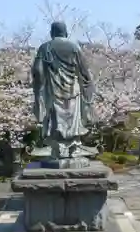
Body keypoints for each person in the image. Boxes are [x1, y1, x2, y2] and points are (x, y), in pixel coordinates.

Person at [31, 21, 96, 159]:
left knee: (55, 120)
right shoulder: (74, 47)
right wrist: (88, 87)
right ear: (65, 33)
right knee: (73, 121)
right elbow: (84, 71)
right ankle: (74, 149)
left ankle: (56, 149)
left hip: (53, 90)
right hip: (73, 90)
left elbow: (37, 70)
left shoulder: (45, 47)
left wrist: (39, 88)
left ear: (52, 33)